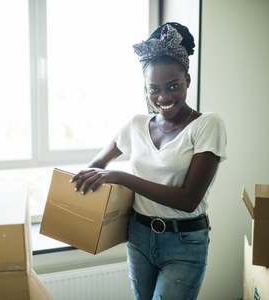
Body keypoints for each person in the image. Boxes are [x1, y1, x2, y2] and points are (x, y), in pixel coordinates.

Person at [70, 22, 227, 300]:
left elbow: (188, 199)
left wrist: (120, 177)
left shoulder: (207, 124)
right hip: (139, 235)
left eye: (173, 86)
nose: (163, 97)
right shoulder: (136, 125)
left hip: (184, 241)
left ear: (188, 81)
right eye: (154, 89)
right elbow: (96, 166)